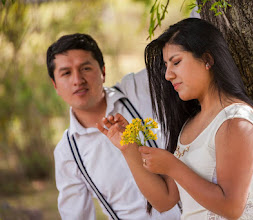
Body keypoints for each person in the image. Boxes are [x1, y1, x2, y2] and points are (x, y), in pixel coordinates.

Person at [98, 18, 253, 220]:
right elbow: (164, 200)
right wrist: (128, 147)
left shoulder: (236, 120)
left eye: (176, 62)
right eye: (166, 66)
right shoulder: (190, 125)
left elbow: (232, 208)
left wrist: (173, 166)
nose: (168, 75)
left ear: (207, 60)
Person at [46, 33, 181, 220]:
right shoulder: (67, 152)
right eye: (66, 73)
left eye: (85, 68)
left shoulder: (138, 87)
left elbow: (182, 53)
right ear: (55, 85)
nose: (78, 80)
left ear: (103, 71)